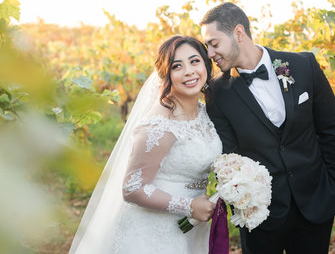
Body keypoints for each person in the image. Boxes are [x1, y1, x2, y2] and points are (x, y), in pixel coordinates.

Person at [200, 2, 335, 254]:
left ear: (238, 33)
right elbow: (229, 157)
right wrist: (244, 205)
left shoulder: (304, 66)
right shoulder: (217, 94)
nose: (210, 54)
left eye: (214, 44)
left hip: (315, 204)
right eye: (207, 47)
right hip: (261, 217)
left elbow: (330, 130)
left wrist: (334, 188)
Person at [69, 35, 222, 254]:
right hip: (154, 231)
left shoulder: (204, 112)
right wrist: (189, 206)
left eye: (194, 61)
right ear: (166, 74)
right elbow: (133, 188)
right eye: (177, 66)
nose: (189, 71)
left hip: (191, 227)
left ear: (206, 65)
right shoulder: (159, 123)